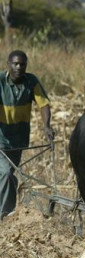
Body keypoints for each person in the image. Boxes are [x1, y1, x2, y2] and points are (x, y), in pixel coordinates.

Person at [0, 50, 54, 220]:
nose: (18, 67)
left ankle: (7, 210)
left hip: (19, 139)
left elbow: (43, 104)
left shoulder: (31, 81)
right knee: (6, 173)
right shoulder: (0, 81)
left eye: (22, 64)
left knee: (9, 175)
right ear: (8, 64)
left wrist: (46, 126)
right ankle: (5, 215)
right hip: (1, 138)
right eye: (15, 64)